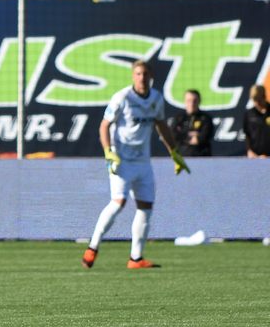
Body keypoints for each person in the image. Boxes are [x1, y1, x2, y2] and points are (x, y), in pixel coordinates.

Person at [81, 60, 189, 270]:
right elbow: (104, 125)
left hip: (143, 162)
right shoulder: (122, 98)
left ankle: (136, 258)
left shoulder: (156, 98)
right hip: (121, 160)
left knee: (146, 207)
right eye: (138, 74)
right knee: (118, 202)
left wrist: (174, 152)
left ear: (151, 76)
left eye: (145, 74)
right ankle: (93, 247)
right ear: (133, 76)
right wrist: (108, 152)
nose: (142, 77)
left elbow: (161, 126)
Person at [168, 89, 214, 156]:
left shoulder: (205, 118)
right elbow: (173, 135)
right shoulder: (179, 118)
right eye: (189, 101)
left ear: (199, 101)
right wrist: (190, 136)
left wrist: (185, 135)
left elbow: (204, 136)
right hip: (182, 157)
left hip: (202, 157)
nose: (192, 104)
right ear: (185, 101)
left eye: (194, 101)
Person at [243, 84, 270, 158]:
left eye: (259, 99)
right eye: (254, 100)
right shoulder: (249, 114)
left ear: (264, 97)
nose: (257, 103)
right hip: (255, 157)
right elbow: (247, 134)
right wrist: (249, 151)